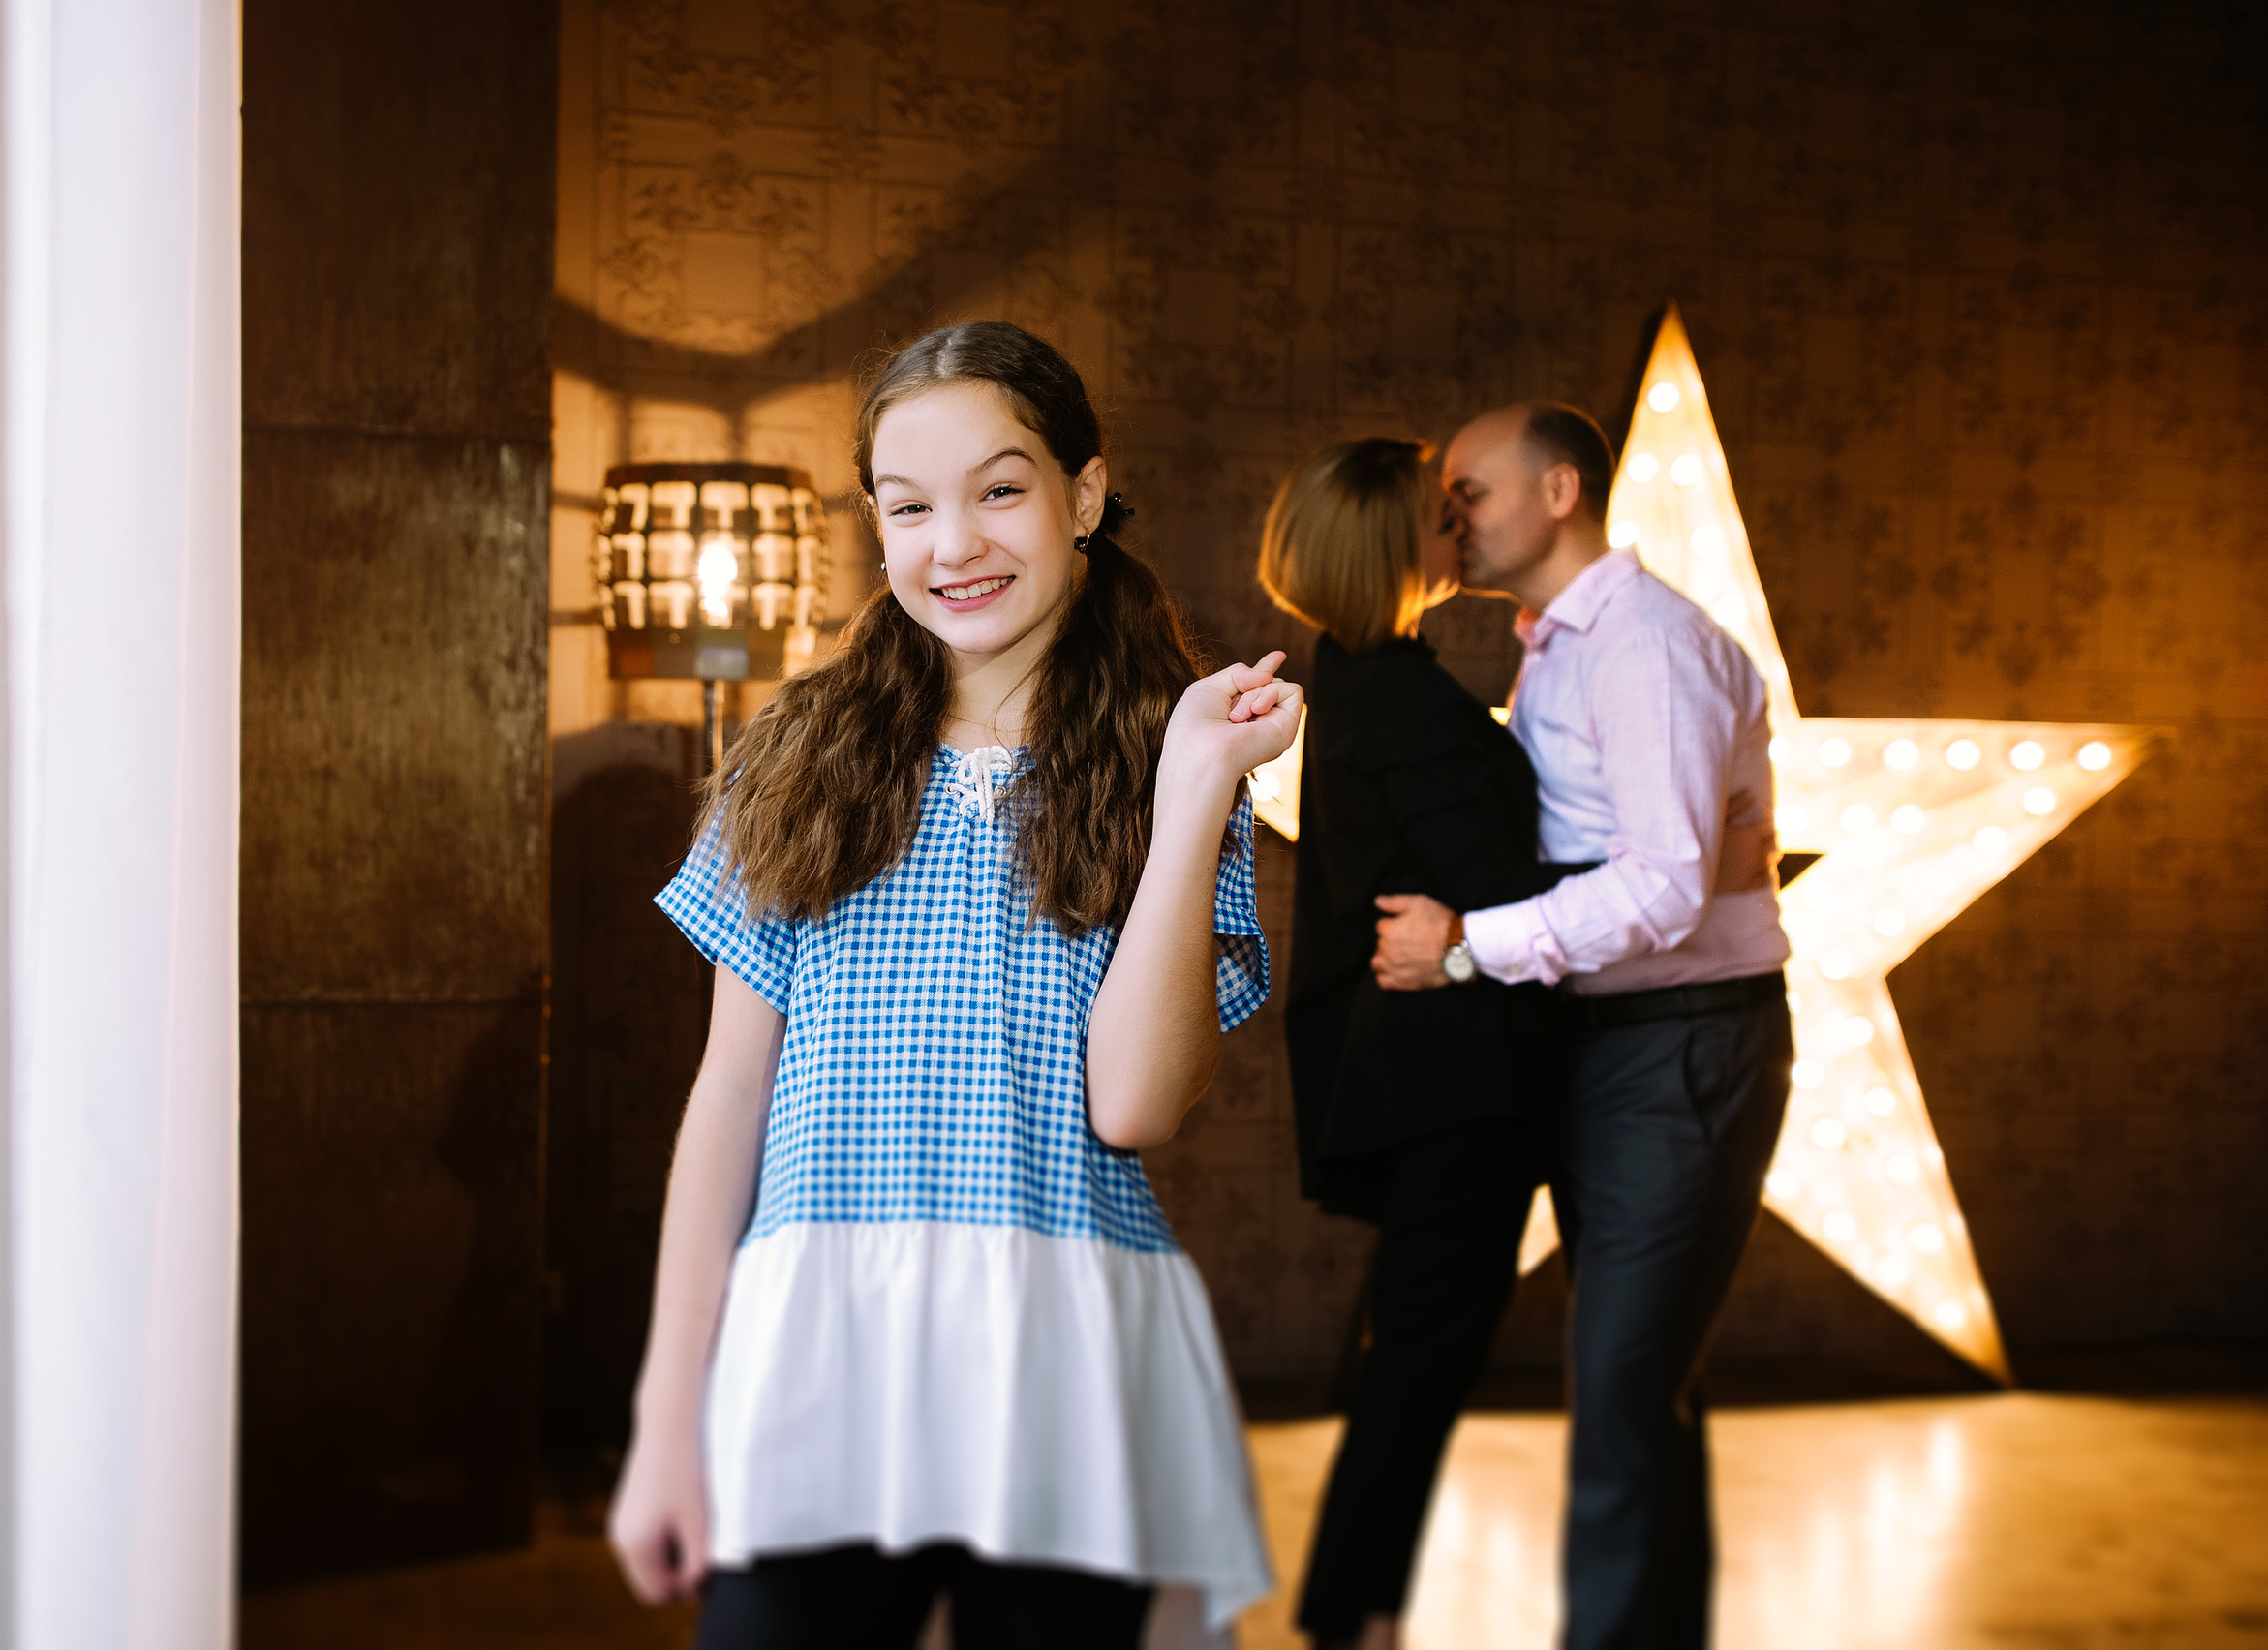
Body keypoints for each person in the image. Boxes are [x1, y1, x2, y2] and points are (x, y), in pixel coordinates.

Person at [607, 320, 1302, 1650]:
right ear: (878, 527)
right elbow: (729, 1098)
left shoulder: (1178, 761)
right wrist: (663, 1423)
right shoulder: (791, 757)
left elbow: (1138, 1106)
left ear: (1081, 496)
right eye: (910, 505)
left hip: (1064, 1358)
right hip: (818, 1345)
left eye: (999, 489)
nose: (955, 544)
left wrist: (1199, 788)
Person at [1371, 402, 1791, 1650]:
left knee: (1618, 1388)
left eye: (1471, 492)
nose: (1450, 516)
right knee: (1641, 1389)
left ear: (1560, 492)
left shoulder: (1642, 646)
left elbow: (1663, 887)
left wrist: (1465, 948)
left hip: (1682, 1048)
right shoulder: (1553, 643)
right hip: (1612, 1046)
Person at [1257, 436, 1595, 1650]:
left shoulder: (1355, 674)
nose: (1461, 525)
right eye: (1439, 511)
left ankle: (1354, 1610)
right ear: (1393, 545)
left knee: (1411, 1350)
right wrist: (1669, 865)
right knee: (1422, 1361)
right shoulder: (1398, 697)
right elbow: (1502, 886)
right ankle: (1356, 1617)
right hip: (1450, 1077)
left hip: (1416, 1071)